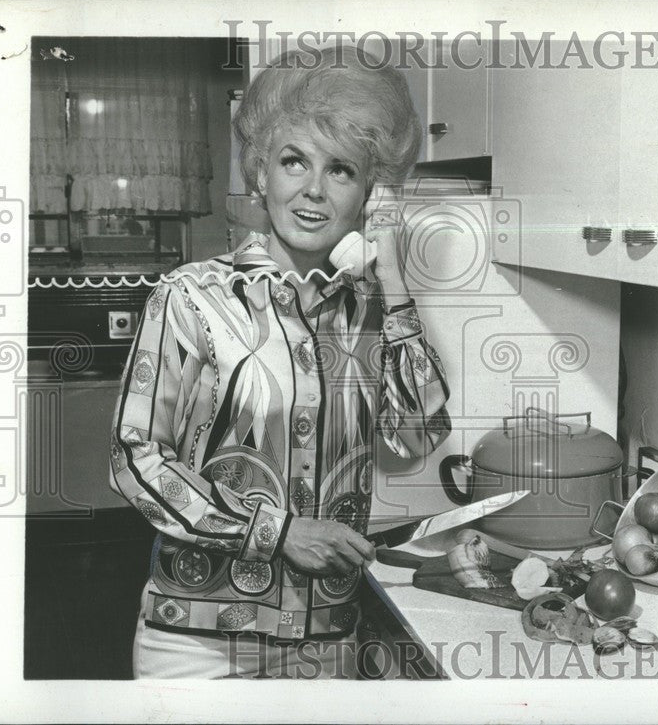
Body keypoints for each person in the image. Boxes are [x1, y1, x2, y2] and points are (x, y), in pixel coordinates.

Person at [110, 45, 451, 679]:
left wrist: (395, 281)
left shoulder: (372, 311)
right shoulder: (190, 297)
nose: (313, 190)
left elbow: (418, 436)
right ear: (262, 173)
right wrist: (278, 532)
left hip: (326, 638)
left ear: (368, 194)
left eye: (342, 170)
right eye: (294, 161)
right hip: (198, 641)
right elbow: (135, 460)